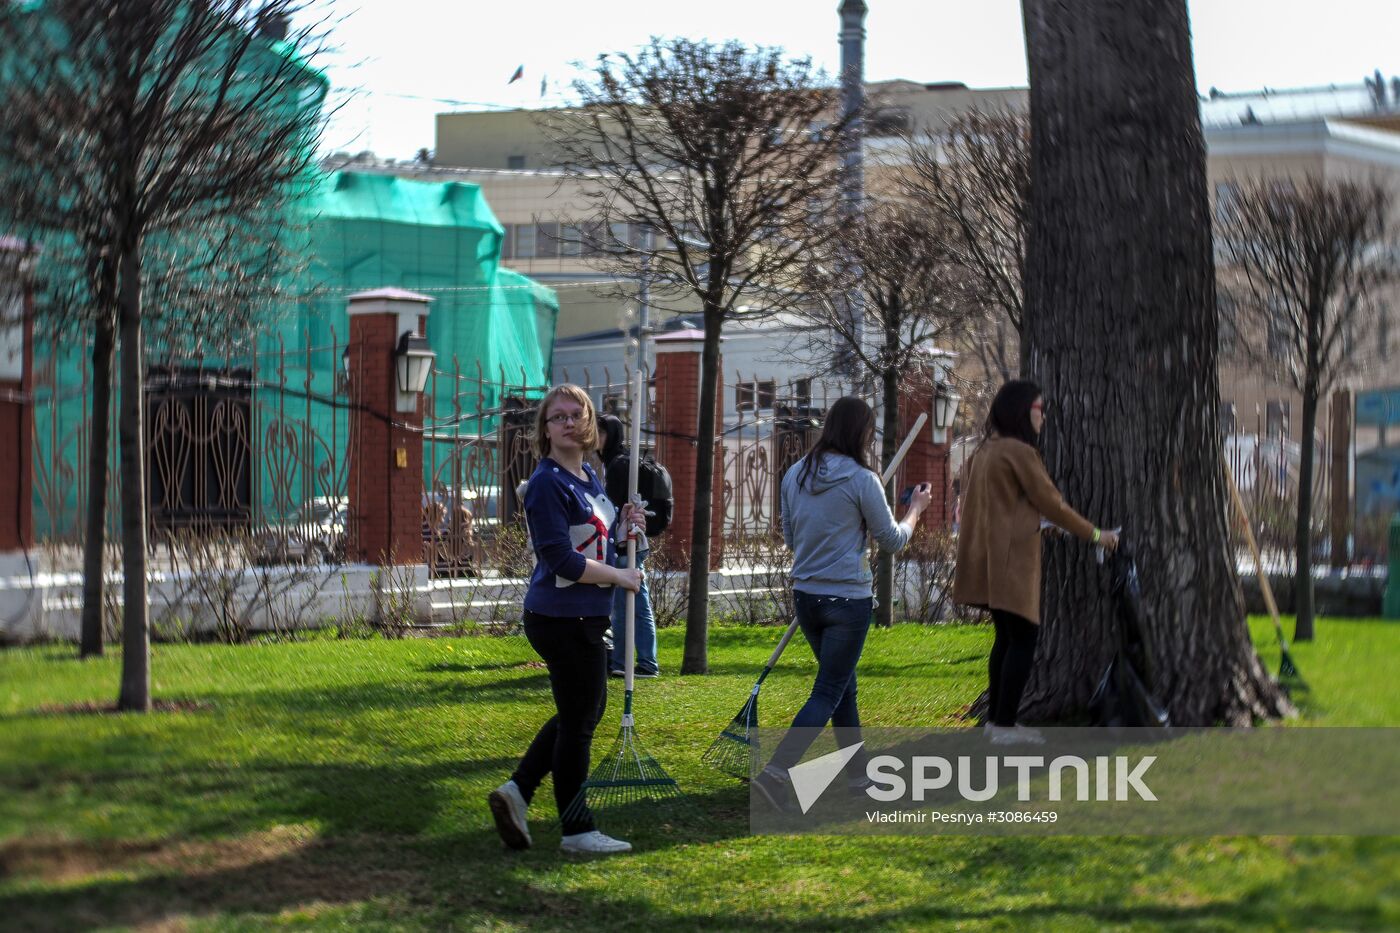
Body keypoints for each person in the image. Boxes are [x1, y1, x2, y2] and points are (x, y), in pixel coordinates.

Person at [751, 397, 933, 812]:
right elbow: (891, 541)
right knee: (829, 689)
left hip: (807, 598)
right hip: (847, 601)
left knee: (842, 688)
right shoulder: (863, 479)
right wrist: (914, 512)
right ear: (862, 433)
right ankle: (777, 773)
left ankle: (858, 776)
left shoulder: (794, 475)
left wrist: (839, 533)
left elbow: (792, 540)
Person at [488, 385, 644, 856]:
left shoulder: (589, 477)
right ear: (545, 430)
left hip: (585, 616)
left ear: (590, 422)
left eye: (577, 414)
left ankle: (518, 791)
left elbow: (600, 544)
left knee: (581, 713)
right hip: (560, 618)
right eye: (558, 417)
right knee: (580, 723)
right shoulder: (546, 483)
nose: (569, 422)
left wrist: (626, 529)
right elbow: (560, 559)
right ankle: (577, 830)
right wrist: (619, 575)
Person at [952, 379, 1119, 746]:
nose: (1043, 418)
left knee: (1006, 639)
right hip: (1012, 563)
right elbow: (1053, 505)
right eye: (1040, 409)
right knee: (1024, 639)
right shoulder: (1021, 453)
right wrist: (1097, 535)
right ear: (1023, 411)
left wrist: (1038, 523)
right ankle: (1005, 726)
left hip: (988, 562)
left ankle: (998, 722)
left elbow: (1005, 506)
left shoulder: (985, 451)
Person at [596, 413, 660, 679]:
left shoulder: (618, 465)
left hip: (627, 542)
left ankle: (628, 662)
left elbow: (613, 508)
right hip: (629, 540)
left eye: (599, 432)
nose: (594, 437)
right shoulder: (616, 462)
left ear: (610, 434)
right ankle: (640, 661)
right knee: (633, 603)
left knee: (626, 606)